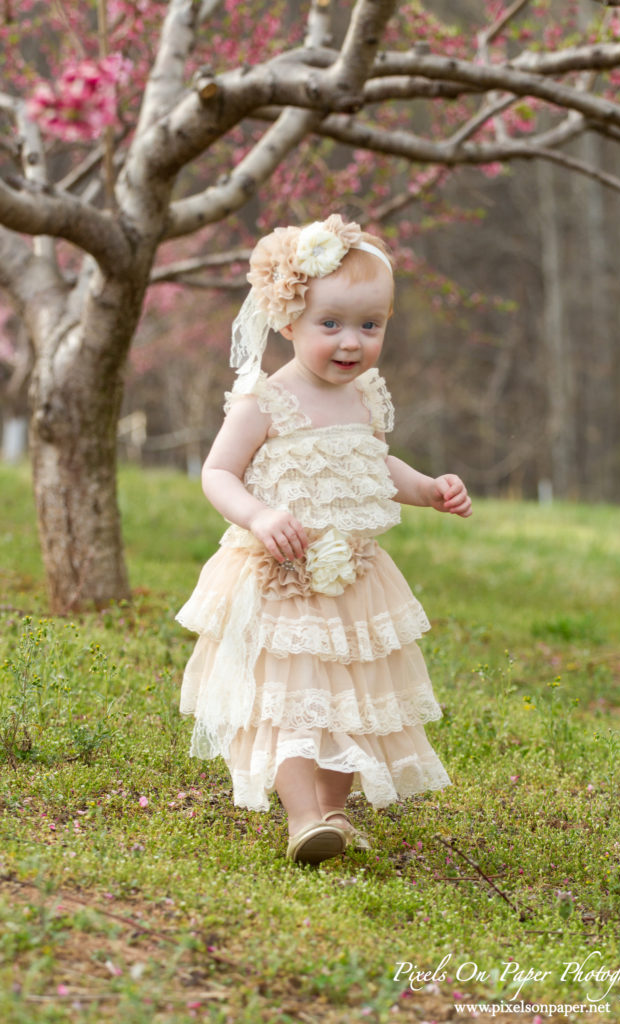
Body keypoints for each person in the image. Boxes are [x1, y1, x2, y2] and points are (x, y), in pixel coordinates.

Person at [176, 214, 472, 865]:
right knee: (292, 704)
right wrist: (255, 515)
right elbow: (218, 472)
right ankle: (303, 816)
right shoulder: (265, 399)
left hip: (355, 580)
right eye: (329, 325)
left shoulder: (366, 398)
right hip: (282, 576)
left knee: (351, 701)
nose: (351, 343)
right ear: (287, 322)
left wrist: (427, 489)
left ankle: (335, 810)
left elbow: (373, 463)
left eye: (370, 326)